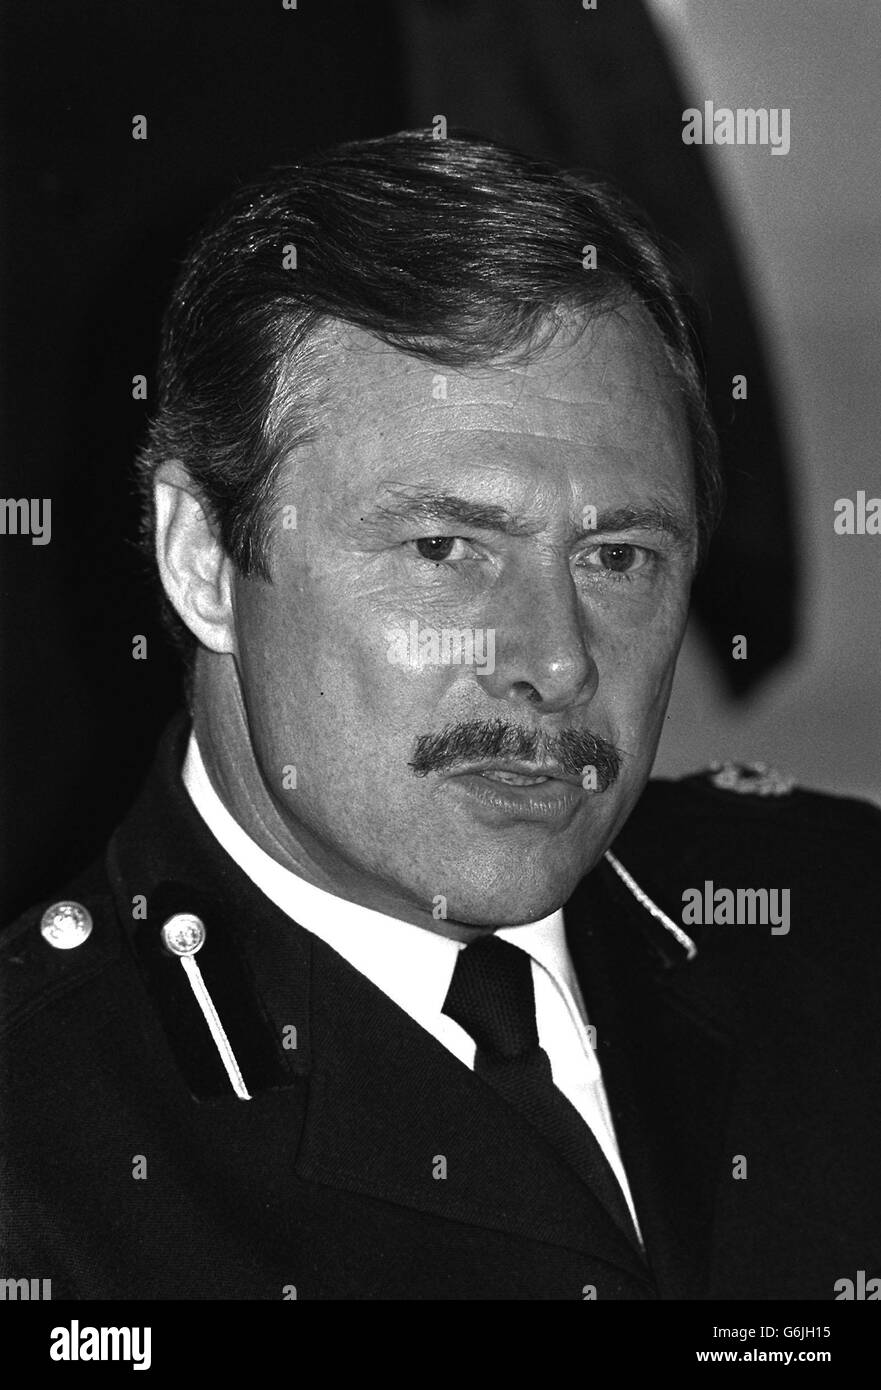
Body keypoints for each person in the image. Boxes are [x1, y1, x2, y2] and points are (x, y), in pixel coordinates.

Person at [1, 131, 878, 1301]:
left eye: (617, 556)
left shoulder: (836, 936)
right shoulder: (42, 1161)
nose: (556, 663)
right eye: (443, 547)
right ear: (202, 557)